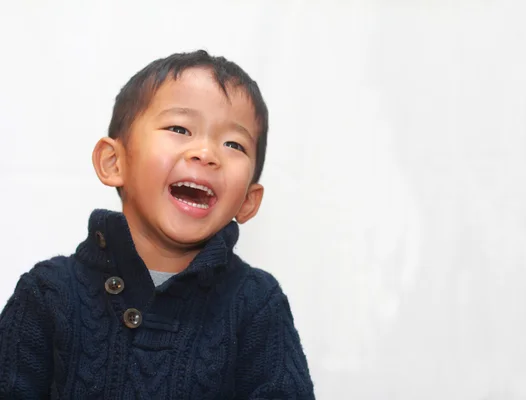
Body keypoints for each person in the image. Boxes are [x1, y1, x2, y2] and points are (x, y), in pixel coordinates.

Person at [0, 49, 314, 399]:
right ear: (113, 162)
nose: (206, 153)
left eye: (233, 143)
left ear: (248, 200)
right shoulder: (47, 294)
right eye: (180, 128)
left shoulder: (257, 304)